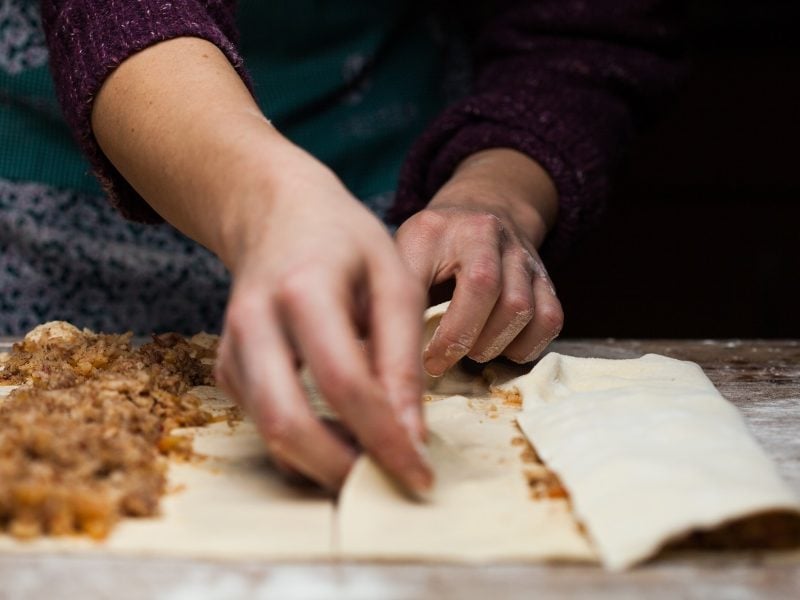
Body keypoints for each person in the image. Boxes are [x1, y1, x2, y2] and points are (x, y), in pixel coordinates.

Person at [1, 0, 683, 494]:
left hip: (390, 170)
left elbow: (583, 29)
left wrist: (497, 192)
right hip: (52, 208)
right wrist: (266, 200)